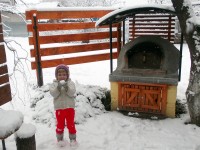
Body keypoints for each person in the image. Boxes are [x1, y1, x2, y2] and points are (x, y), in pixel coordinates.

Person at [49, 64, 77, 147]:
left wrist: (67, 87)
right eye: (60, 75)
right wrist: (58, 88)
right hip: (59, 109)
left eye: (64, 74)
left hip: (70, 108)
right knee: (60, 125)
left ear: (67, 75)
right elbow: (54, 94)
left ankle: (73, 139)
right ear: (56, 76)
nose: (62, 77)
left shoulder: (70, 83)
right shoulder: (54, 84)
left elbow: (72, 93)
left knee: (70, 124)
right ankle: (60, 139)